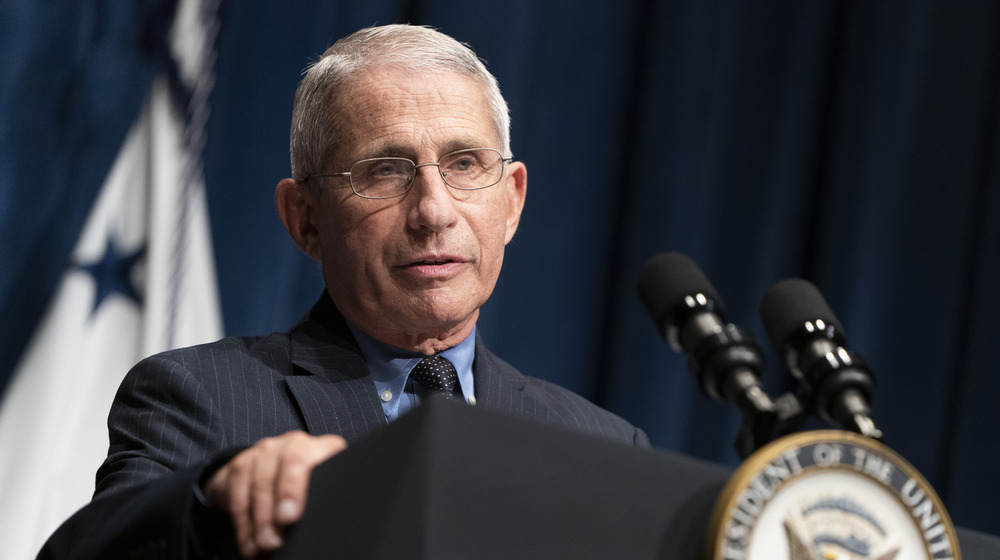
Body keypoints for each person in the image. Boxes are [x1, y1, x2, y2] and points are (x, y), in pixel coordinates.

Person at [39, 24, 648, 559]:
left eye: (464, 164)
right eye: (385, 170)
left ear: (511, 200)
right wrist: (213, 499)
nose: (434, 211)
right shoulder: (199, 399)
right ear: (304, 218)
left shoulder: (604, 447)